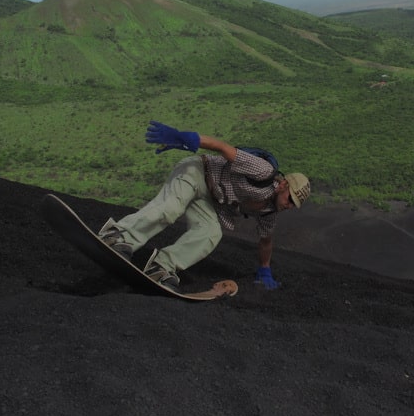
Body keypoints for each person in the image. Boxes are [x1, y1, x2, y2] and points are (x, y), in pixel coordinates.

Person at [98, 120, 311, 290]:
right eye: (291, 198)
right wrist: (186, 137)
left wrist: (264, 269)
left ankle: (161, 267)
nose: (290, 206)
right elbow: (223, 148)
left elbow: (266, 240)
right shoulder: (263, 172)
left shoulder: (269, 212)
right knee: (170, 208)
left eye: (295, 204)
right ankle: (117, 236)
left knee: (211, 233)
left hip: (210, 200)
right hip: (198, 172)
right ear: (283, 184)